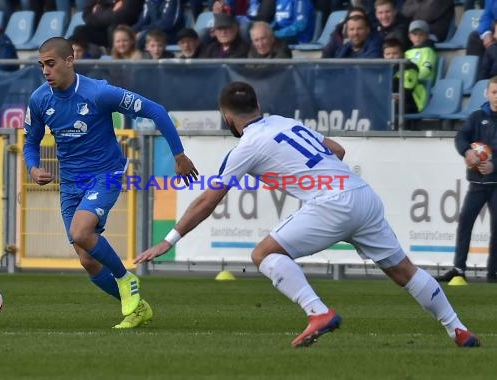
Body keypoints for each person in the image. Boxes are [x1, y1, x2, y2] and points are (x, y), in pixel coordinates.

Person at [135, 81, 481, 348]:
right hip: (362, 195)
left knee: (263, 255)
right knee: (404, 271)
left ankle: (318, 312)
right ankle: (458, 328)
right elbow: (338, 149)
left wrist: (170, 239)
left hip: (332, 202)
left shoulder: (247, 145)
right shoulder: (286, 122)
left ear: (227, 117)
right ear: (258, 105)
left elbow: (208, 200)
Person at [23, 37, 199, 328]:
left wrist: (179, 155)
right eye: (42, 65)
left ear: (70, 60)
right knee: (87, 258)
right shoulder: (40, 99)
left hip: (106, 174)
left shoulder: (99, 93)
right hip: (70, 183)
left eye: (51, 64)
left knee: (81, 232)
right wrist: (32, 168)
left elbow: (157, 111)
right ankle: (137, 308)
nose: (45, 71)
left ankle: (125, 278)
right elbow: (30, 141)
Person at [436, 77, 497, 284]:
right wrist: (467, 151)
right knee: (465, 223)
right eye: (494, 92)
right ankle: (459, 268)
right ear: (487, 94)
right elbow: (461, 137)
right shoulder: (477, 116)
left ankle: (493, 273)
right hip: (477, 183)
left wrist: (494, 165)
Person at [383, 37, 427, 114]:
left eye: (395, 53)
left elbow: (406, 92)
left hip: (411, 103)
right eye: (388, 54)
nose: (391, 57)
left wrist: (389, 98)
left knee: (388, 108)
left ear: (402, 53)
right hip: (391, 101)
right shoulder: (383, 69)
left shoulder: (410, 68)